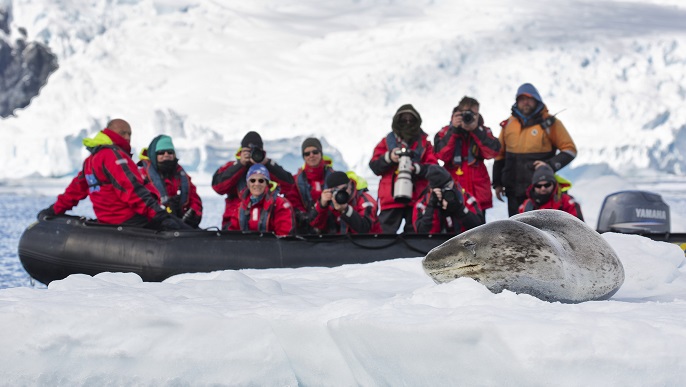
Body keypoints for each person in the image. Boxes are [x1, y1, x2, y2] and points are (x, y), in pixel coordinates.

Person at [36, 119, 188, 230]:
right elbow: (132, 190)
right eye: (123, 133)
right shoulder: (113, 156)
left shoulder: (91, 160)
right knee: (182, 230)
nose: (127, 137)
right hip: (130, 219)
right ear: (109, 132)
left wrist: (54, 210)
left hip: (109, 221)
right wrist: (159, 216)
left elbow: (75, 190)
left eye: (129, 133)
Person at [492, 83, 578, 216]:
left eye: (529, 99)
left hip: (540, 190)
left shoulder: (550, 123)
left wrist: (548, 166)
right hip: (513, 190)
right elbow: (499, 155)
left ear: (537, 100)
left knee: (540, 230)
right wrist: (497, 183)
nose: (525, 102)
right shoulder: (508, 124)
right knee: (515, 230)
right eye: (521, 99)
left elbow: (570, 150)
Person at [369, 104, 438, 234]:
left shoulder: (424, 144)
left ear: (417, 121)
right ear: (396, 121)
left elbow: (433, 168)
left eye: (411, 120)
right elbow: (374, 166)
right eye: (403, 119)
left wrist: (417, 168)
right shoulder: (386, 142)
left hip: (417, 198)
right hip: (390, 199)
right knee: (383, 237)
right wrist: (389, 158)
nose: (407, 123)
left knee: (415, 238)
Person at [434, 96, 500, 220]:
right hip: (452, 188)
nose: (468, 117)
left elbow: (492, 153)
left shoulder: (483, 131)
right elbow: (442, 155)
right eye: (465, 113)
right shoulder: (446, 132)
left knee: (479, 232)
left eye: (473, 113)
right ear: (458, 113)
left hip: (477, 191)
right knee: (451, 230)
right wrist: (454, 130)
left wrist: (476, 131)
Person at [212, 131, 295, 230]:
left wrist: (267, 164)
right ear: (241, 151)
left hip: (266, 221)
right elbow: (218, 187)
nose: (252, 155)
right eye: (248, 151)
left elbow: (289, 185)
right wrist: (240, 165)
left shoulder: (268, 167)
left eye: (255, 151)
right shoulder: (232, 167)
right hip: (234, 222)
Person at [138, 135, 203, 228]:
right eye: (161, 152)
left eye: (170, 152)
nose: (166, 155)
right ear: (153, 155)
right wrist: (164, 209)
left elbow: (194, 198)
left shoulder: (182, 176)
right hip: (154, 226)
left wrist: (194, 213)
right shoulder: (142, 176)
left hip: (181, 224)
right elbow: (141, 200)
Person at [413, 165, 484, 234]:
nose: (447, 191)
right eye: (442, 189)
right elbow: (422, 234)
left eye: (449, 186)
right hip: (435, 244)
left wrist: (459, 208)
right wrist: (432, 207)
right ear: (431, 189)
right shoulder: (422, 204)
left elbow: (480, 229)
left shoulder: (467, 199)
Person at [227, 164, 294, 236]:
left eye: (261, 180)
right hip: (246, 246)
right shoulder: (240, 207)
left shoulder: (280, 204)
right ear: (248, 184)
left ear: (267, 183)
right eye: (252, 180)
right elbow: (233, 235)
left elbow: (284, 235)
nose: (257, 184)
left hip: (273, 246)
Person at [286, 137, 336, 234]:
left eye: (315, 152)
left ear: (321, 153)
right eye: (307, 153)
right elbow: (295, 206)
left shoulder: (334, 178)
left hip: (332, 232)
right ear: (303, 157)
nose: (311, 155)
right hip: (306, 234)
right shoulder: (295, 181)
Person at [309, 171, 382, 234]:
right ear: (330, 191)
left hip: (367, 243)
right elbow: (314, 225)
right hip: (339, 244)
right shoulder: (329, 201)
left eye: (344, 188)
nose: (342, 193)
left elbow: (365, 228)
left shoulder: (364, 200)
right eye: (336, 191)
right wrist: (321, 206)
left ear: (350, 184)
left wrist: (346, 210)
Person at [519, 164, 584, 220]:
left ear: (554, 184)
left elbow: (579, 228)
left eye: (547, 185)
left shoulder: (567, 202)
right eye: (538, 186)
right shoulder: (527, 205)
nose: (543, 188)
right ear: (533, 187)